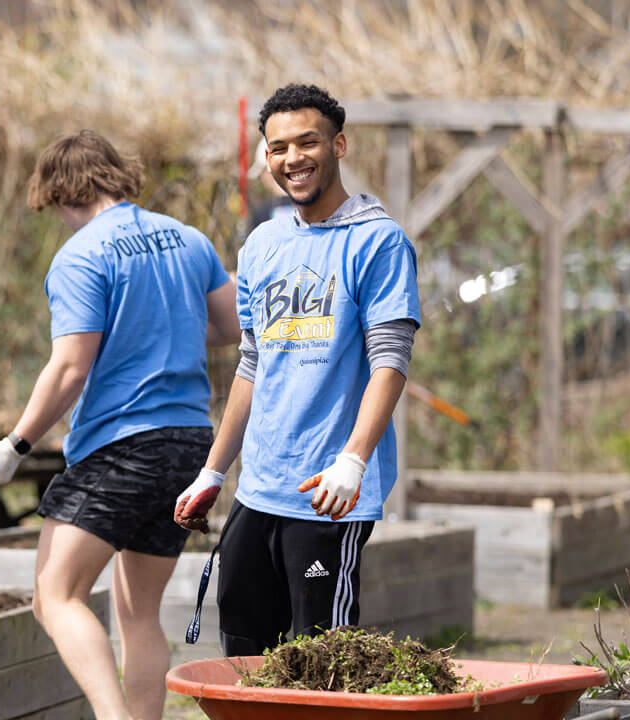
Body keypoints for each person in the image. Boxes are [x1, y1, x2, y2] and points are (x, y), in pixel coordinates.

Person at [0, 129, 240, 720]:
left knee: (55, 596)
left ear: (61, 194)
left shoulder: (82, 255)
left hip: (122, 447)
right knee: (138, 612)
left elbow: (70, 367)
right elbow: (230, 328)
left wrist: (15, 444)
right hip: (190, 447)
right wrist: (167, 326)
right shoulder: (188, 239)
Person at [174, 83, 421, 656]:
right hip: (259, 490)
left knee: (321, 661)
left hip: (328, 495)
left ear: (339, 145)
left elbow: (390, 361)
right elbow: (252, 365)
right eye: (278, 148)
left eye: (307, 143)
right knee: (243, 652)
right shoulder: (262, 244)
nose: (293, 159)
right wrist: (213, 472)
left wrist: (352, 461)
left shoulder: (378, 242)